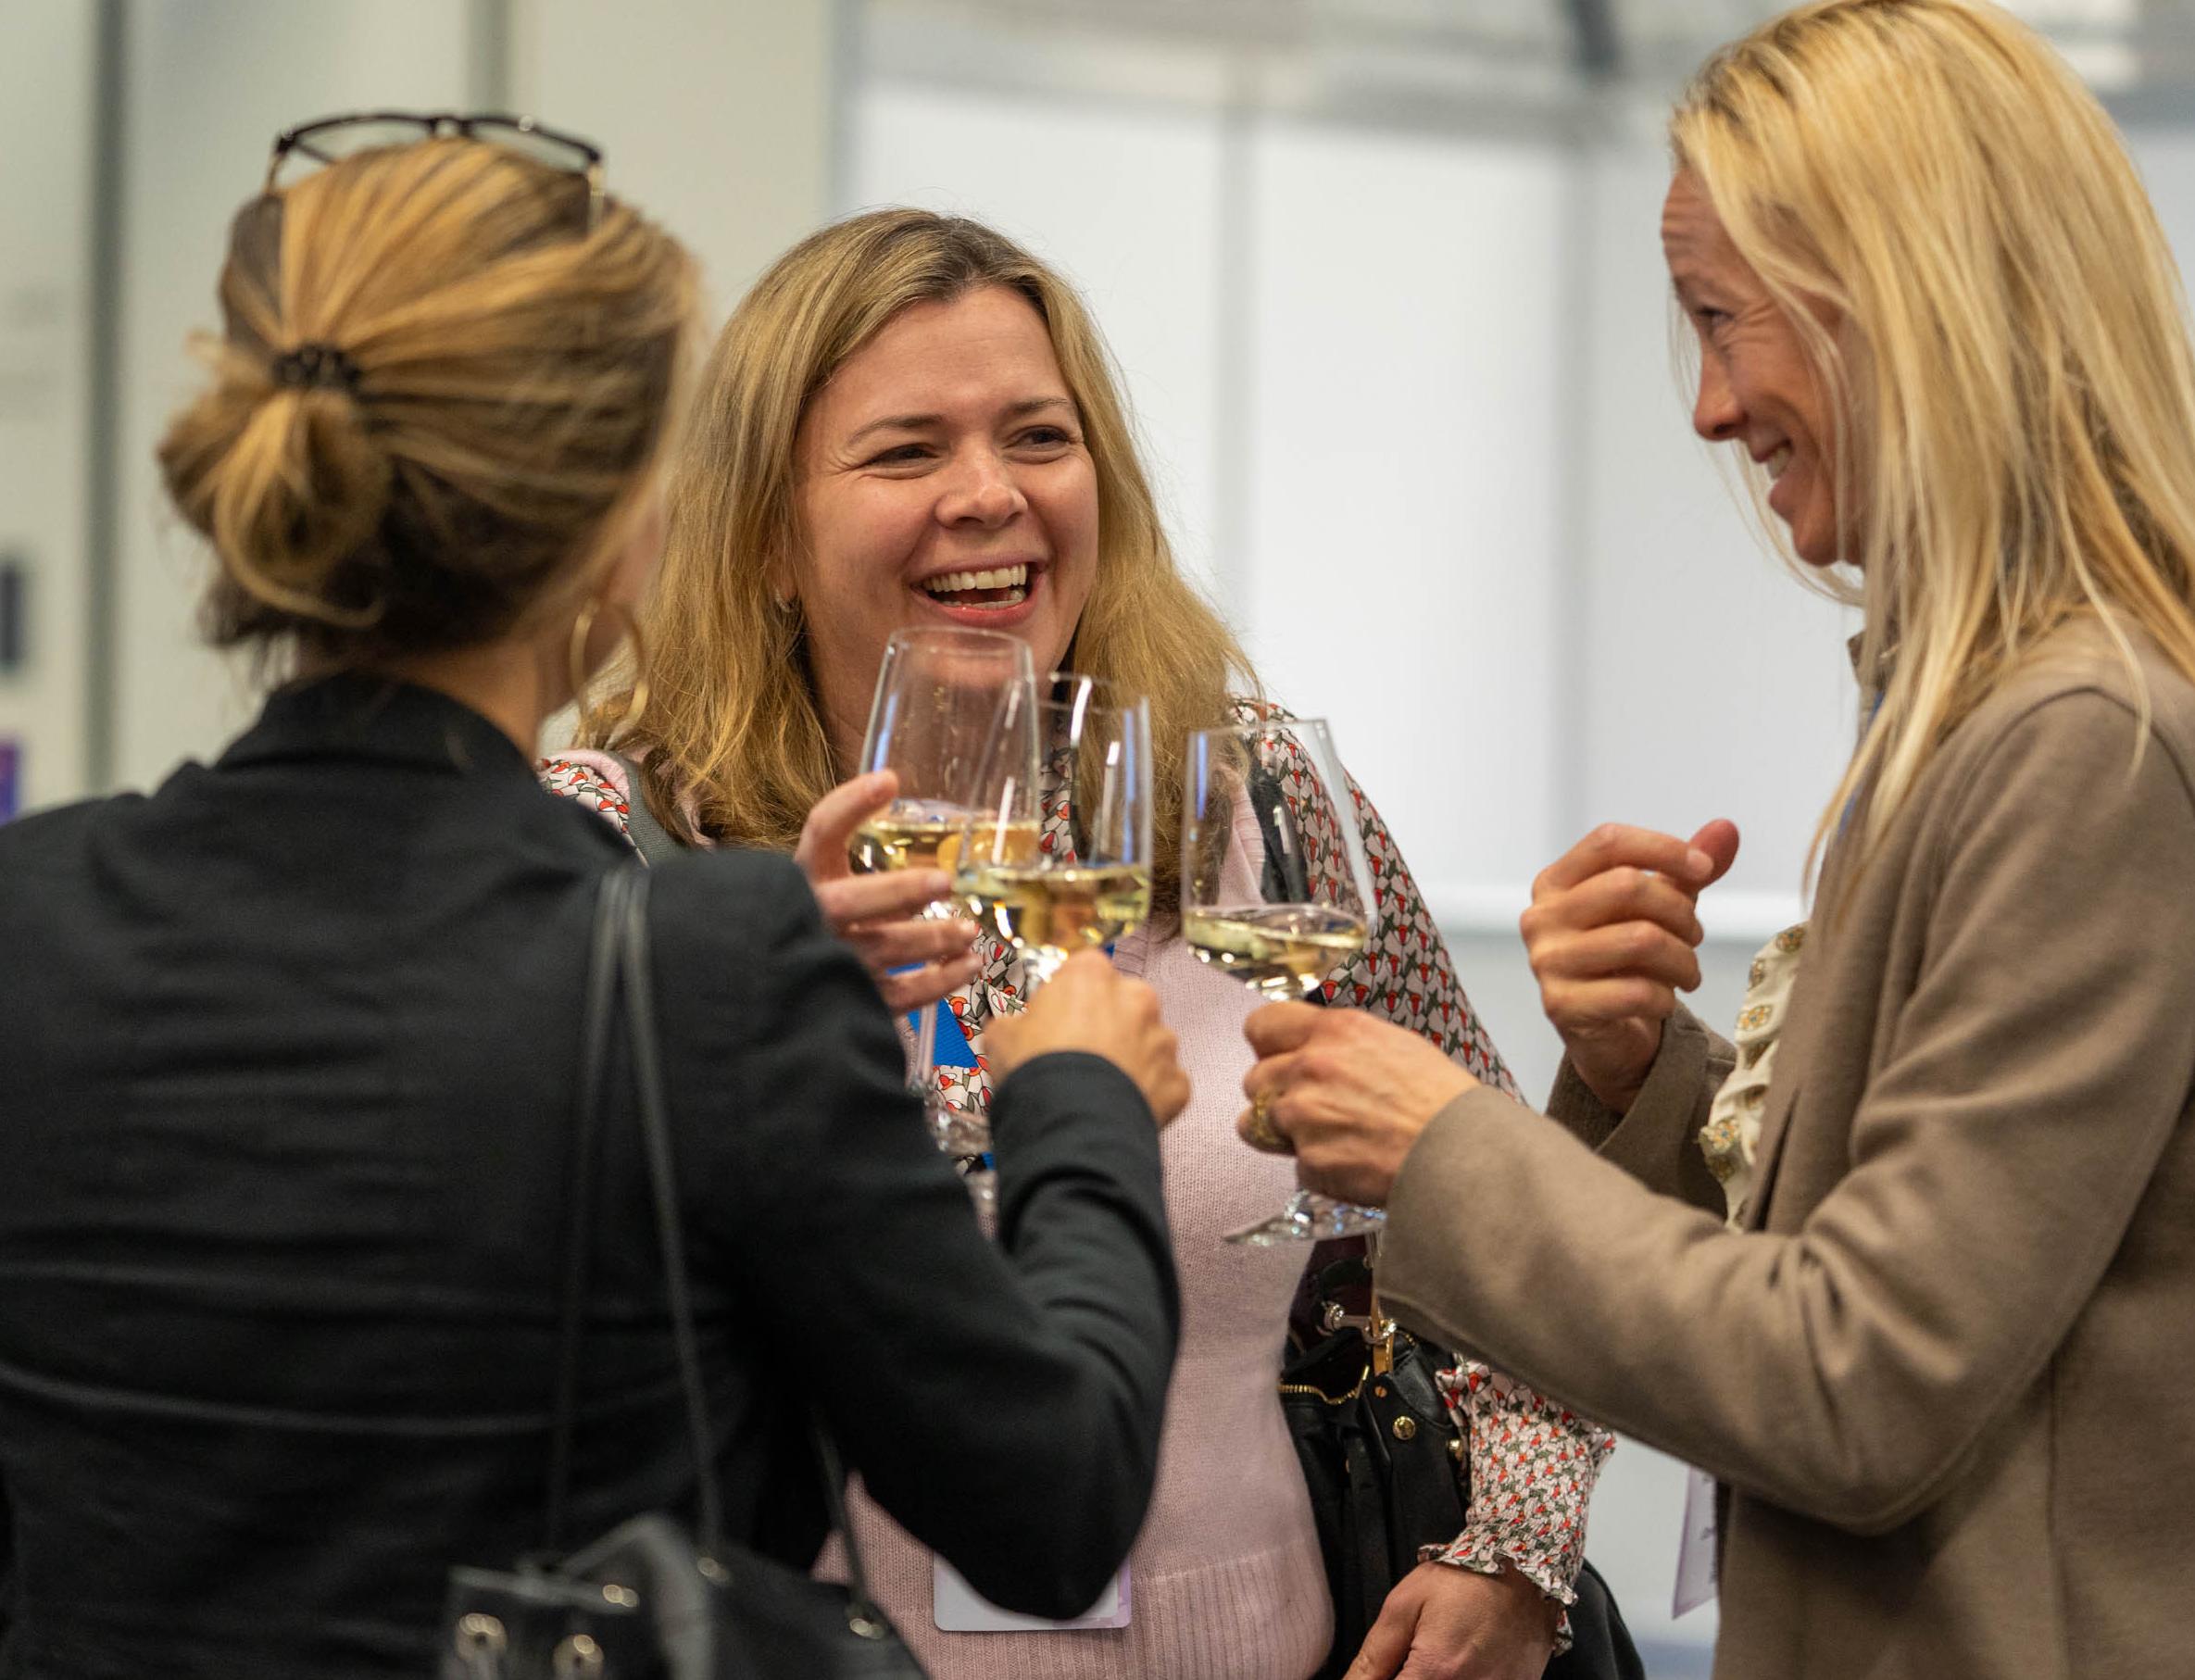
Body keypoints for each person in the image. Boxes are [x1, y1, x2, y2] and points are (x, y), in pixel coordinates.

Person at [0, 121, 1193, 1679]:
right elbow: (1053, 1502)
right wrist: (1079, 1099)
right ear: (626, 532)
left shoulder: (28, 915)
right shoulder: (711, 972)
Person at [1236, 4, 2195, 1676]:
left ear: (1904, 300)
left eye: (1720, 320)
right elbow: (1878, 1265)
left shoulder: (2083, 742)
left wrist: (1445, 1145)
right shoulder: (1968, 711)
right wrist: (1641, 1083)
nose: (1706, 408)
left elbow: (1860, 1382)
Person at [543, 207, 1616, 1680]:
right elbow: (520, 1298)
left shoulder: (1248, 794)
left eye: (1038, 437)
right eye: (906, 451)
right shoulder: (623, 840)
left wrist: (1513, 1547)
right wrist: (756, 1034)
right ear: (768, 538)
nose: (988, 494)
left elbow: (1503, 1219)